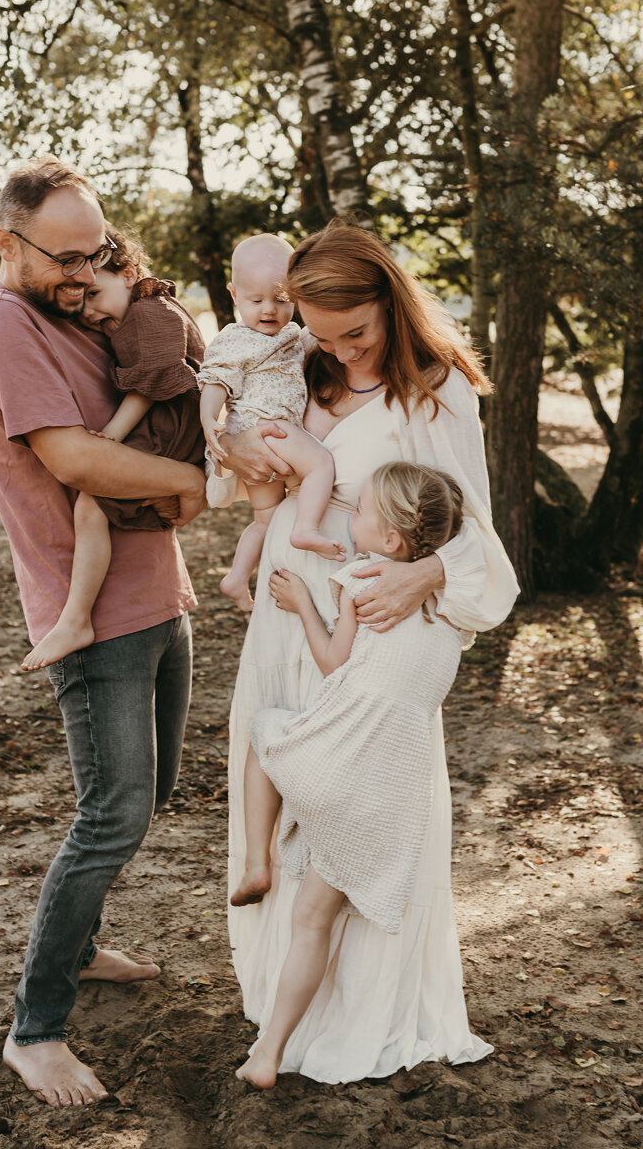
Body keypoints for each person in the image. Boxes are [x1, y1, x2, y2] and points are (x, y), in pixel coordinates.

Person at [220, 221, 519, 1086]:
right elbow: (261, 471)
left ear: (390, 300)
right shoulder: (302, 370)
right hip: (286, 631)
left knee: (359, 814)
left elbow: (480, 538)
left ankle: (361, 1017)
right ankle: (278, 1006)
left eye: (357, 332)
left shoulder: (440, 393)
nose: (342, 351)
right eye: (323, 334)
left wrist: (424, 573)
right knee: (277, 790)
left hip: (372, 641)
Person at [0, 155, 206, 1108]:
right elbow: (71, 457)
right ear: (6, 244)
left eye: (94, 250)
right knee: (111, 813)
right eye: (62, 256)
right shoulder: (1, 322)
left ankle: (84, 942)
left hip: (156, 586)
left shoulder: (83, 305)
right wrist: (194, 483)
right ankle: (37, 1027)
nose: (80, 271)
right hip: (91, 607)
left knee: (149, 797)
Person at [233, 463, 467, 1087]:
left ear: (390, 541)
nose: (349, 517)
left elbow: (335, 663)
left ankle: (258, 859)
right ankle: (272, 1051)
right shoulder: (452, 605)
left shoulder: (361, 576)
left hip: (339, 757)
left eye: (360, 510)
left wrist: (304, 602)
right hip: (395, 787)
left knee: (266, 731)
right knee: (318, 916)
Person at [21, 227, 205, 672]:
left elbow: (153, 381)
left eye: (94, 293)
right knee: (99, 508)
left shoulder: (150, 312)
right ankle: (78, 617)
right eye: (81, 302)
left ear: (128, 274)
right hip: (172, 424)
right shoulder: (134, 313)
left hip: (171, 424)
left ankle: (76, 619)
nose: (87, 310)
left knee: (89, 509)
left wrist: (111, 437)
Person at [198, 233, 343, 611]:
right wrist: (207, 418)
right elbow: (215, 381)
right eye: (256, 300)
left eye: (281, 300)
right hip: (270, 429)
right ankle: (307, 530)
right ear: (233, 295)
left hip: (265, 442)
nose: (269, 310)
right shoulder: (236, 339)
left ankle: (236, 576)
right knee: (322, 464)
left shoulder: (293, 335)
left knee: (266, 520)